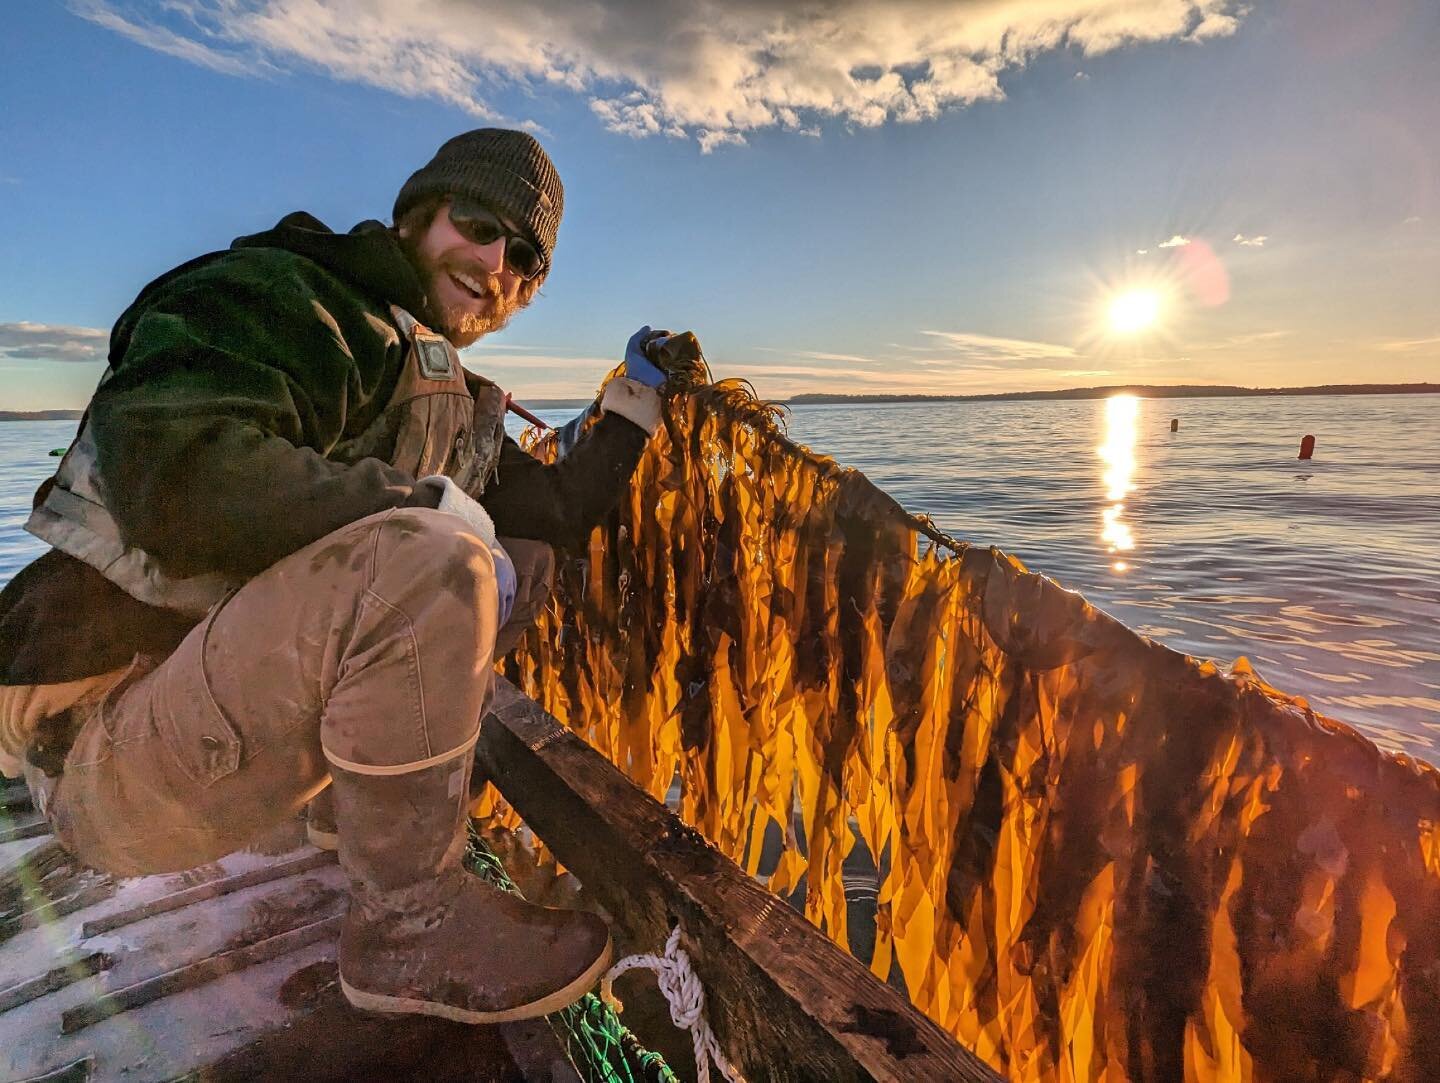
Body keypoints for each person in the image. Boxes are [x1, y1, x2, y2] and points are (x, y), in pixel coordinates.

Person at [0, 129, 684, 1023]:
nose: (494, 263)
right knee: (436, 557)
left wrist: (633, 403)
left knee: (523, 560)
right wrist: (425, 505)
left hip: (211, 735)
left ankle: (346, 822)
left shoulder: (445, 389)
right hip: (100, 747)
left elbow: (553, 510)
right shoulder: (287, 294)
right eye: (477, 225)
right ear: (416, 215)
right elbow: (175, 470)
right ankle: (410, 925)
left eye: (524, 258)